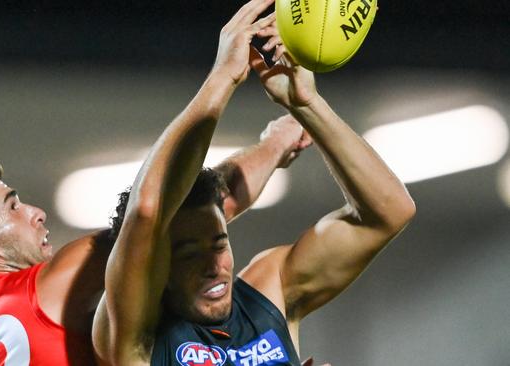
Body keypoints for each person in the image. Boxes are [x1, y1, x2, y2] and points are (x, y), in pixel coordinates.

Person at [91, 0, 416, 365]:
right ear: (154, 271)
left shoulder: (269, 291)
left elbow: (389, 212)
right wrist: (222, 78)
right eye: (188, 254)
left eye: (219, 244)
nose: (214, 266)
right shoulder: (136, 337)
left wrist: (306, 104)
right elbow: (148, 211)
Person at [0, 86, 311, 364]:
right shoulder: (49, 286)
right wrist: (277, 140)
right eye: (12, 207)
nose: (36, 213)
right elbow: (179, 214)